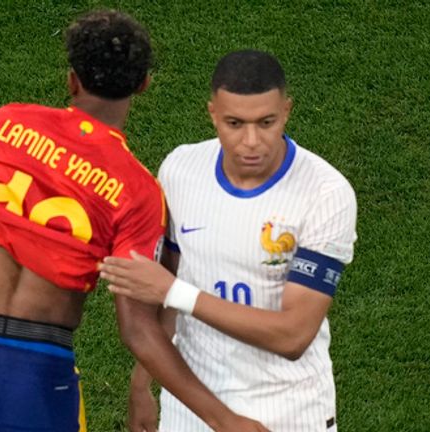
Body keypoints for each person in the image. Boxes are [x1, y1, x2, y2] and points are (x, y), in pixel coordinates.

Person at [0, 11, 267, 432]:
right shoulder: (138, 191)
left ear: (72, 79)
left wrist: (10, 231)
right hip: (40, 379)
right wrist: (223, 419)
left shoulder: (3, 124)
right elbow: (137, 331)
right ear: (143, 84)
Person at [99, 49, 357, 432]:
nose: (251, 141)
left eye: (266, 122)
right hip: (189, 411)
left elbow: (293, 335)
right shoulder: (180, 170)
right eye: (235, 123)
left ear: (286, 111)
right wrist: (142, 383)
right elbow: (169, 287)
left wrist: (175, 292)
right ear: (213, 114)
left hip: (288, 414)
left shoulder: (325, 193)